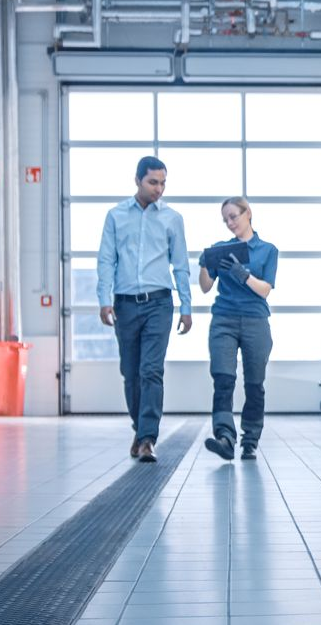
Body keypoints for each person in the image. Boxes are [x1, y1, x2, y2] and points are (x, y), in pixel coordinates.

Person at [96, 156, 192, 463]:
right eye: (153, 182)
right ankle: (140, 429)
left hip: (160, 303)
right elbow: (106, 260)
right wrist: (104, 299)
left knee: (152, 370)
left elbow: (181, 265)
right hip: (125, 303)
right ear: (137, 180)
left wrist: (186, 306)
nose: (159, 189)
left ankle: (149, 438)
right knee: (131, 373)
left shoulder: (172, 219)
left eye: (163, 183)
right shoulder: (115, 216)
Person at [198, 197, 277, 461]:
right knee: (223, 379)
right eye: (226, 219)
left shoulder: (267, 250)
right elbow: (206, 286)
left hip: (255, 320)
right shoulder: (221, 249)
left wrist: (243, 274)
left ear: (248, 213)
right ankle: (225, 437)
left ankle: (250, 440)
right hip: (224, 319)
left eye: (233, 216)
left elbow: (265, 290)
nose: (230, 222)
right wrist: (206, 264)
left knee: (254, 384)